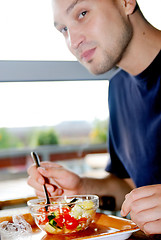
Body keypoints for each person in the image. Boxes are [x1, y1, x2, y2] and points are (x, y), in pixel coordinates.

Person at [27, 0, 161, 235]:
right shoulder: (118, 88)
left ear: (126, 2)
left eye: (82, 13)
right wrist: (80, 187)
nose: (73, 41)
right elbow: (129, 188)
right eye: (63, 29)